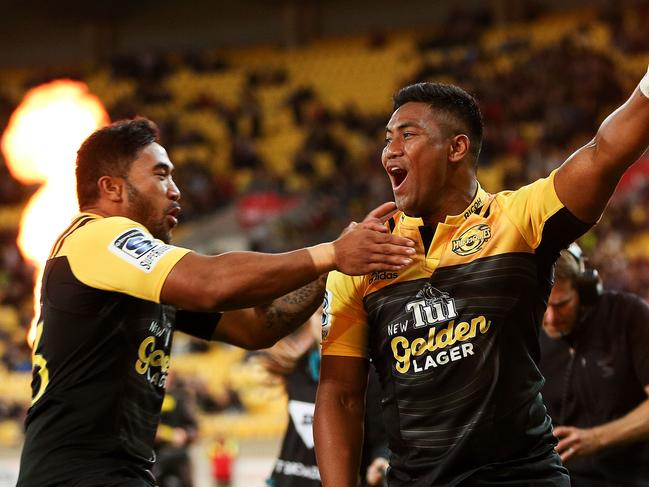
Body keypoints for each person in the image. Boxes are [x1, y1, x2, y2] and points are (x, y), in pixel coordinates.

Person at [16, 117, 416, 487]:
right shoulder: (97, 236)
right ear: (112, 188)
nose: (175, 191)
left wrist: (333, 268)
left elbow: (259, 326)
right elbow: (211, 283)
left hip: (117, 472)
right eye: (161, 175)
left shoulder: (138, 277)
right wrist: (329, 253)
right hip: (74, 476)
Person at [314, 67, 649, 487]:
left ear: (456, 148)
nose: (389, 152)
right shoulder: (360, 256)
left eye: (407, 135)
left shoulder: (518, 220)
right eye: (387, 139)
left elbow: (604, 153)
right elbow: (340, 396)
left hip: (524, 479)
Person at [539, 245, 649, 487]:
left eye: (561, 304)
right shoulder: (528, 330)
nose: (550, 318)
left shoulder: (628, 315)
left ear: (585, 291)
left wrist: (596, 439)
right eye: (543, 306)